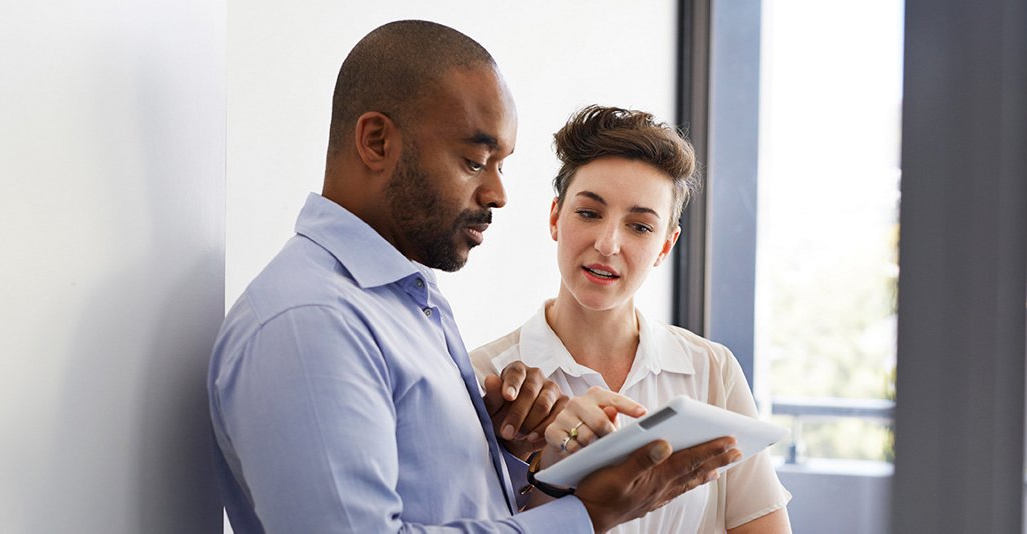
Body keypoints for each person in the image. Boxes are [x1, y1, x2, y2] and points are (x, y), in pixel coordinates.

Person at [207, 21, 743, 534]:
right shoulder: (312, 323)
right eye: (474, 160)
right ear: (375, 142)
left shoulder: (406, 303)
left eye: (501, 165)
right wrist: (588, 516)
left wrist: (512, 457)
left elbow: (438, 505)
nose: (498, 195)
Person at [470, 106, 793, 533]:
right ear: (555, 218)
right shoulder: (485, 378)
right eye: (589, 213)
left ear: (665, 246)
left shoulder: (710, 370)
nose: (607, 244)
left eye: (640, 227)